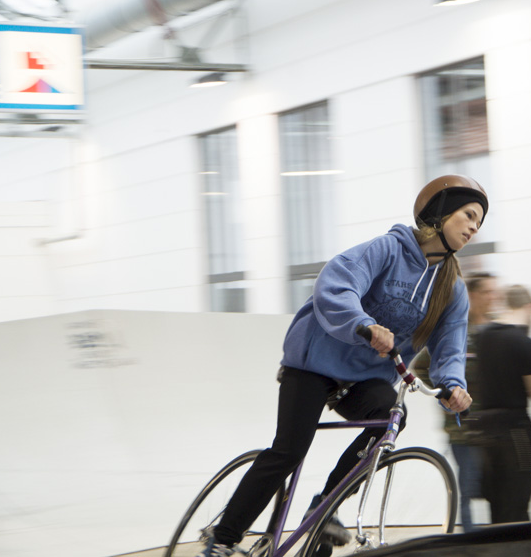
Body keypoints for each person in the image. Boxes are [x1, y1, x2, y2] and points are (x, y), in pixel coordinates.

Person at [197, 175, 487, 557]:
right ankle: (224, 537)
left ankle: (323, 508)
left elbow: (450, 345)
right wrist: (363, 325)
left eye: (479, 223)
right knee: (290, 449)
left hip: (365, 378)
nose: (473, 228)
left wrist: (452, 384)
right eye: (468, 215)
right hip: (314, 362)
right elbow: (336, 284)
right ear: (439, 212)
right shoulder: (388, 249)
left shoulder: (451, 288)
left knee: (389, 419)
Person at [413, 272, 499, 531]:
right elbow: (421, 367)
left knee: (495, 488)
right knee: (468, 487)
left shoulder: (494, 330)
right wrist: (445, 393)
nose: (492, 297)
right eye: (486, 292)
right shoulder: (455, 330)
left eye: (494, 292)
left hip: (494, 427)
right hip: (464, 429)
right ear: (472, 296)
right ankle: (470, 541)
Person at [475, 284, 531, 524]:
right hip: (516, 430)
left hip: (485, 429)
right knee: (519, 499)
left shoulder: (482, 336)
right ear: (529, 307)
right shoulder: (524, 342)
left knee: (495, 501)